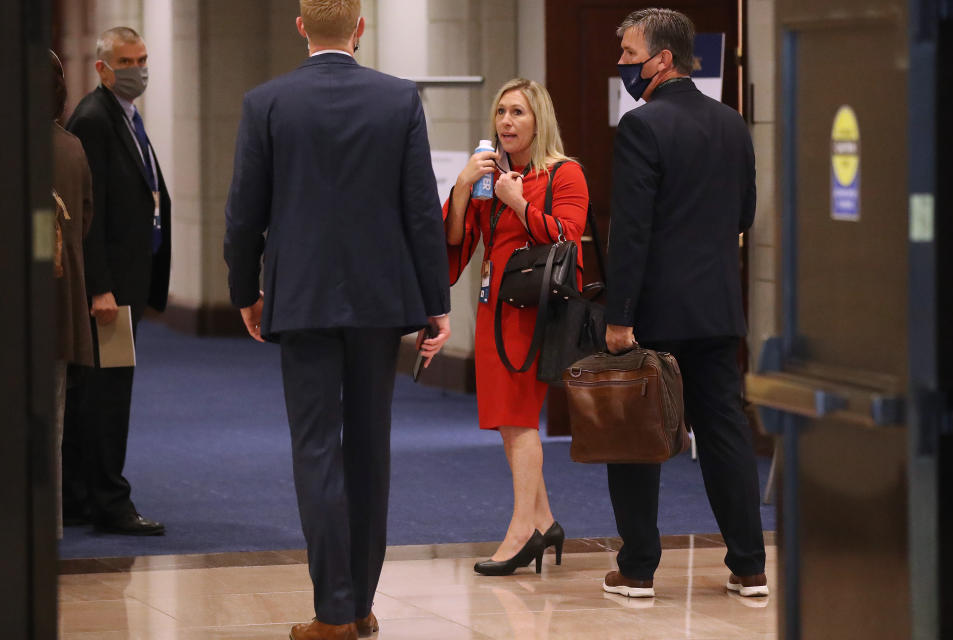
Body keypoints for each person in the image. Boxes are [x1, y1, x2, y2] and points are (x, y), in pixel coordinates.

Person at [223, 2, 451, 639]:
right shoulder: (398, 100)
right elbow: (420, 211)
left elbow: (244, 213)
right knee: (370, 450)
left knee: (317, 448)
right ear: (359, 28)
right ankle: (360, 604)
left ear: (301, 27)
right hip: (381, 301)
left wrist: (246, 289)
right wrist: (436, 303)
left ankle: (333, 610)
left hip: (301, 297)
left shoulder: (266, 102)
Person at [602, 8, 767, 599]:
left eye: (628, 53)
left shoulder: (643, 126)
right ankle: (749, 565)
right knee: (725, 431)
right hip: (719, 307)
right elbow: (745, 215)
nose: (621, 63)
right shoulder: (732, 124)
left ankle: (639, 568)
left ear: (662, 59)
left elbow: (632, 231)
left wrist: (619, 317)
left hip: (656, 313)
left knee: (637, 434)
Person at [443, 78, 589, 576]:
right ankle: (545, 523)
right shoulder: (491, 176)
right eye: (501, 113)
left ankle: (522, 529)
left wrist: (517, 201)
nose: (506, 122)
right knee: (509, 421)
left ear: (538, 120)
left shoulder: (565, 174)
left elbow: (568, 237)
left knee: (521, 419)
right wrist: (464, 186)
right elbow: (458, 239)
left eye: (518, 113)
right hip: (494, 308)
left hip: (536, 312)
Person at [62, 26, 171, 535]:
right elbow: (89, 212)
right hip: (109, 290)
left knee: (100, 391)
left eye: (143, 58)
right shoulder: (93, 119)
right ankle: (109, 500)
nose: (138, 69)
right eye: (126, 61)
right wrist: (100, 286)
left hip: (128, 280)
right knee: (106, 395)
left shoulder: (125, 116)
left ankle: (82, 495)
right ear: (103, 68)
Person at [51, 49, 95, 539]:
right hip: (56, 306)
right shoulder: (70, 149)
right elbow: (82, 221)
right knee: (51, 423)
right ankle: (48, 526)